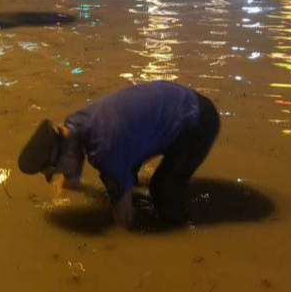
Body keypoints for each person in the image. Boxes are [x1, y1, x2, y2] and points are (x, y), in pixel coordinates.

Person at [18, 80, 220, 228]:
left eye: (56, 170)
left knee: (161, 193)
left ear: (65, 155)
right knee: (126, 172)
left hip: (198, 121)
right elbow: (71, 165)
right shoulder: (73, 124)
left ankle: (182, 233)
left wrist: (124, 243)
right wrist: (70, 182)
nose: (58, 175)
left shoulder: (104, 151)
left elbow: (125, 221)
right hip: (179, 100)